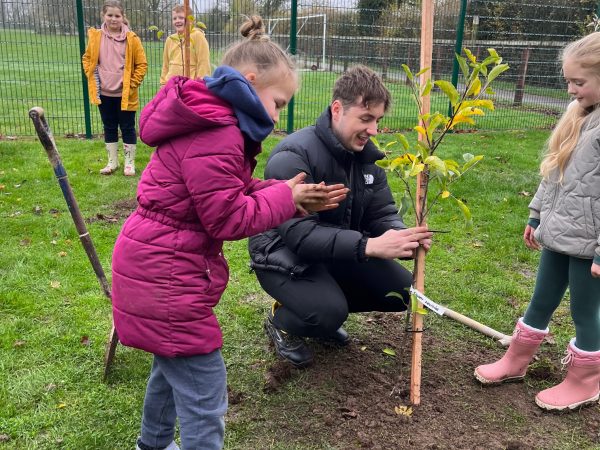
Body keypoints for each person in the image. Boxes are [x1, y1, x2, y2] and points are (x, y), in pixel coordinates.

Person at [111, 15, 347, 450]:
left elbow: (223, 189)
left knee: (170, 365)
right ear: (250, 81)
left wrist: (281, 190)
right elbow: (227, 217)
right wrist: (287, 201)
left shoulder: (211, 120)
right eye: (277, 102)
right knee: (204, 390)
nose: (278, 116)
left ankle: (153, 444)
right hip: (167, 271)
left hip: (156, 259)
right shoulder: (218, 132)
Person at [248, 65, 433, 369]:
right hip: (282, 256)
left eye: (377, 120)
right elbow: (300, 236)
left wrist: (401, 236)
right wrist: (369, 247)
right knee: (327, 312)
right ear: (337, 109)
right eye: (365, 118)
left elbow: (382, 212)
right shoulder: (294, 157)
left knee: (401, 292)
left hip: (336, 249)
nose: (373, 130)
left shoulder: (368, 160)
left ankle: (323, 304)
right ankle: (283, 320)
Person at [474, 32, 600, 412]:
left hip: (589, 244)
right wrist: (536, 213)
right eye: (568, 81)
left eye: (579, 82)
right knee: (540, 299)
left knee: (584, 311)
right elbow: (554, 172)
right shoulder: (578, 116)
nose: (570, 90)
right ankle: (516, 359)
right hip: (560, 231)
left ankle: (586, 379)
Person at [82, 0, 147, 177]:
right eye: (109, 15)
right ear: (103, 16)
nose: (113, 19)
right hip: (103, 92)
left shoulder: (132, 39)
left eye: (117, 15)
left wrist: (132, 84)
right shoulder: (96, 37)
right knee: (109, 126)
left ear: (122, 17)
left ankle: (129, 163)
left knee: (127, 127)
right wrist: (91, 73)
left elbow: (141, 65)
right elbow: (87, 58)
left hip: (125, 94)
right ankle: (112, 162)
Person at [160, 4, 212, 86]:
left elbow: (203, 63)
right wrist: (163, 84)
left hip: (190, 85)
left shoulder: (197, 36)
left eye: (181, 18)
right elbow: (165, 65)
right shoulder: (170, 40)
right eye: (174, 18)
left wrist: (199, 84)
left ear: (190, 20)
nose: (177, 21)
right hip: (171, 85)